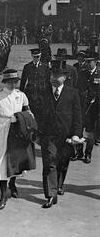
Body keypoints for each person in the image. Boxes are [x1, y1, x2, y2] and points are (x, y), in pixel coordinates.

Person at [0, 69, 35, 210]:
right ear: (5, 82)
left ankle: (12, 183)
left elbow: (28, 112)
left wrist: (24, 120)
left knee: (16, 159)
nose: (13, 85)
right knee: (1, 161)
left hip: (17, 130)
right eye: (10, 82)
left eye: (15, 82)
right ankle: (3, 194)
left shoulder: (21, 95)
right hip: (2, 129)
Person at [38, 61, 82, 209]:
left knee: (62, 162)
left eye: (58, 75)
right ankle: (51, 195)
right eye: (52, 74)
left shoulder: (72, 93)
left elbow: (77, 116)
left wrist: (76, 134)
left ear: (65, 77)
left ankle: (58, 185)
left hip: (67, 136)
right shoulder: (43, 92)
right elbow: (38, 114)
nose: (54, 78)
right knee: (50, 163)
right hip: (48, 135)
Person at [20, 48, 50, 119]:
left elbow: (48, 81)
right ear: (32, 56)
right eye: (34, 57)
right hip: (31, 93)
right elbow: (23, 81)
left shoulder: (45, 67)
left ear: (40, 56)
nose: (36, 59)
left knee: (41, 113)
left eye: (38, 57)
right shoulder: (27, 67)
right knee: (31, 112)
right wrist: (21, 93)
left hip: (41, 94)